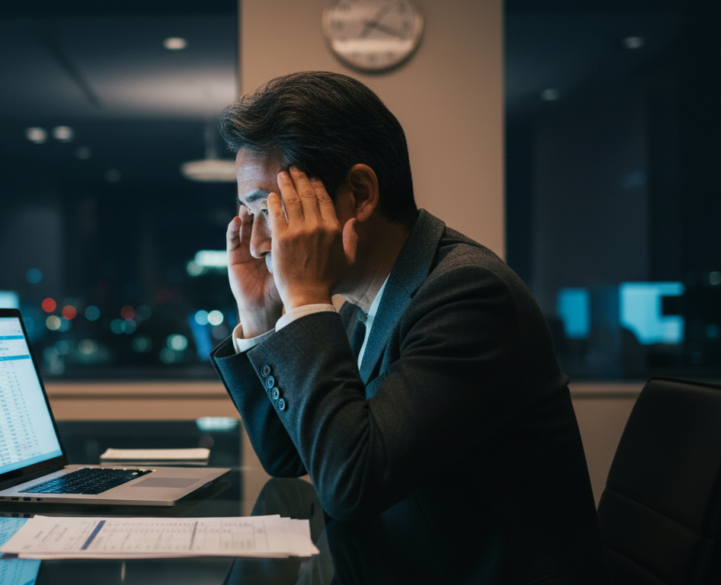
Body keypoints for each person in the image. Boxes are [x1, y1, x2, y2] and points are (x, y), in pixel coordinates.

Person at [210, 72, 609, 583]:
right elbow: (287, 455)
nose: (259, 243)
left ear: (359, 193)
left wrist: (306, 301)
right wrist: (261, 317)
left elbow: (351, 486)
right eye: (250, 215)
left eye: (272, 210)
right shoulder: (362, 304)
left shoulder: (469, 295)